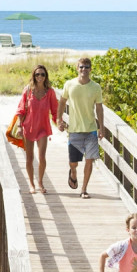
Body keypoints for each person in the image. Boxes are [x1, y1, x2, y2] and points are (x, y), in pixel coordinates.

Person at [57, 57, 104, 199]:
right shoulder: (69, 84)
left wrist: (101, 127)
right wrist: (59, 120)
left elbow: (99, 107)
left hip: (90, 129)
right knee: (73, 162)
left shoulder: (95, 87)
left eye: (87, 67)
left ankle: (83, 189)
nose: (84, 69)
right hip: (74, 130)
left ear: (90, 69)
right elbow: (62, 102)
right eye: (81, 67)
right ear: (77, 68)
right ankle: (73, 173)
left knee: (90, 159)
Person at [14, 64, 58, 194]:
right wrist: (19, 126)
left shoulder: (50, 91)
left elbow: (55, 110)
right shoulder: (28, 90)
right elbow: (21, 109)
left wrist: (59, 122)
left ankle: (40, 182)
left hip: (43, 128)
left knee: (42, 157)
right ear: (34, 76)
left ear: (46, 76)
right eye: (37, 74)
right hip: (28, 127)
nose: (40, 77)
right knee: (29, 158)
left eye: (42, 74)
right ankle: (31, 184)